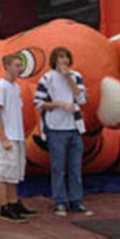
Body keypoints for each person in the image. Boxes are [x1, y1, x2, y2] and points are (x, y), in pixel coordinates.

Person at [34, 47, 93, 217]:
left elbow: (82, 99)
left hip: (74, 128)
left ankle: (77, 202)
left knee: (76, 167)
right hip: (56, 129)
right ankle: (59, 202)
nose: (64, 61)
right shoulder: (47, 78)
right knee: (58, 167)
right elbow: (38, 102)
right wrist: (58, 104)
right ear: (55, 60)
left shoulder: (76, 76)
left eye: (66, 57)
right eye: (61, 58)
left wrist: (69, 79)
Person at [0, 53, 37, 223]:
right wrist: (3, 137)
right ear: (7, 66)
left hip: (17, 135)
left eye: (20, 66)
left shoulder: (15, 87)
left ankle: (14, 201)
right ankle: (4, 206)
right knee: (5, 171)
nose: (20, 69)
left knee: (15, 171)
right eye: (17, 65)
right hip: (8, 136)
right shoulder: (0, 87)